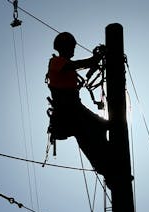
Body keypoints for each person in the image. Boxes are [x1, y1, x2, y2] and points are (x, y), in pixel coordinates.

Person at [46, 32, 112, 183]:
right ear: (63, 47)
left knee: (102, 127)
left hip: (75, 109)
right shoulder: (55, 62)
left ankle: (112, 165)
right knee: (90, 140)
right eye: (71, 46)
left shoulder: (65, 67)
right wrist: (93, 60)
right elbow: (73, 65)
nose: (73, 49)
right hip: (68, 112)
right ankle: (109, 172)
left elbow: (74, 69)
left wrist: (93, 61)